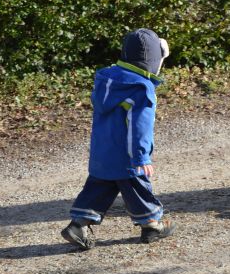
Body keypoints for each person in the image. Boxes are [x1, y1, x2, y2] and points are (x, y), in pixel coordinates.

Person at [61, 28, 175, 250]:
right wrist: (141, 157)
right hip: (127, 155)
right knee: (138, 186)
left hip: (102, 153)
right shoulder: (140, 89)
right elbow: (139, 128)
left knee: (99, 188)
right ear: (151, 60)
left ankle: (78, 225)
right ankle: (152, 225)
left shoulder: (107, 80)